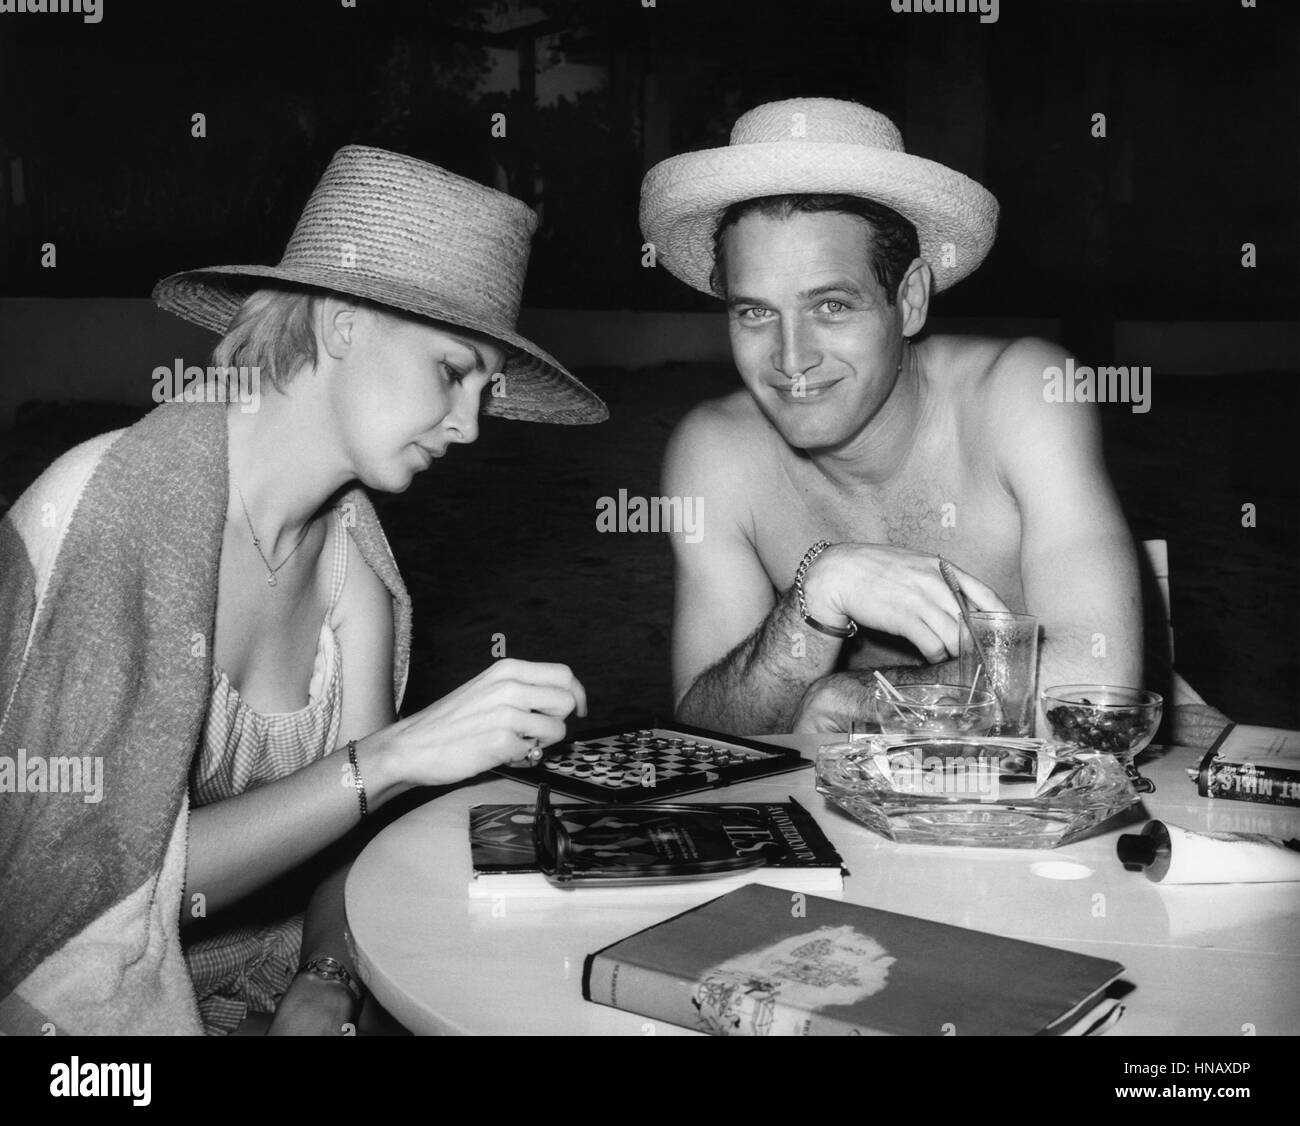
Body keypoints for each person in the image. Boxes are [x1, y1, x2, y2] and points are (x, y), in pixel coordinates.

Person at [0, 145, 607, 1035]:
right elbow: (80, 893)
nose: (472, 424)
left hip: (268, 979)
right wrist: (391, 758)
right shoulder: (99, 512)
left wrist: (325, 976)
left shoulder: (352, 558)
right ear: (343, 322)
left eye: (487, 386)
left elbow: (346, 847)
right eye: (451, 369)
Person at [640, 98, 1143, 735]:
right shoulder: (715, 451)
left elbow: (1096, 694)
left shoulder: (1026, 393)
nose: (791, 359)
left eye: (831, 306)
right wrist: (812, 599)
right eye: (755, 313)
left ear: (908, 301)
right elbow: (707, 731)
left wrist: (859, 699)